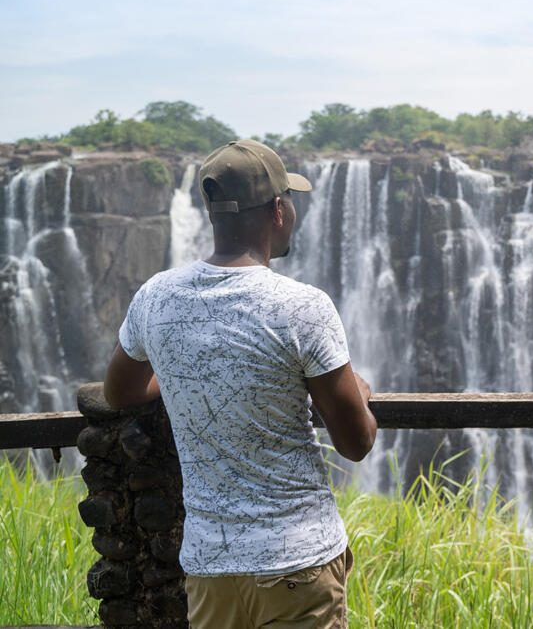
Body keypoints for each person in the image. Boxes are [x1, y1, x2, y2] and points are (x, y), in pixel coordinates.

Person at [104, 139, 377, 628]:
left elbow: (119, 393)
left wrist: (188, 374)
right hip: (299, 565)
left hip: (211, 571)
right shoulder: (303, 306)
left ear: (212, 215)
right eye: (289, 200)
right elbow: (356, 443)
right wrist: (359, 391)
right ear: (278, 210)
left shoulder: (156, 298)